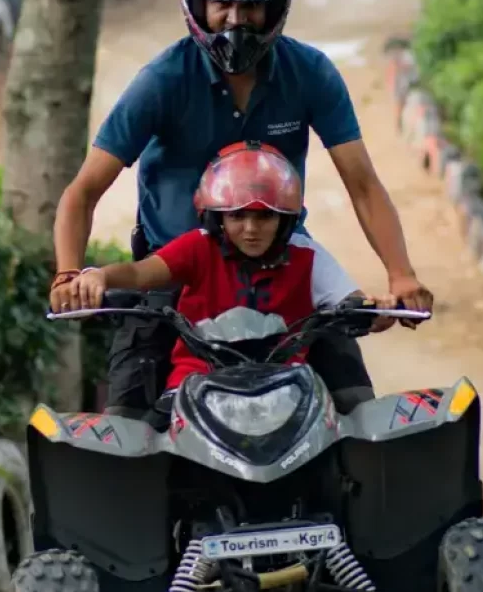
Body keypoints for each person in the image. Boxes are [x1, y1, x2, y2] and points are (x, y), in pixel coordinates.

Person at [49, 0, 432, 417]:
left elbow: (361, 183)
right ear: (194, 1)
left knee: (355, 403)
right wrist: (68, 275)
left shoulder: (311, 73)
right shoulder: (162, 81)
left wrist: (400, 275)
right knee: (127, 425)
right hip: (174, 272)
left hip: (282, 266)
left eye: (250, 4)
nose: (235, 19)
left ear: (276, 4)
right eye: (221, 2)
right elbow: (84, 190)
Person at [56, 142, 397, 421]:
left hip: (291, 390)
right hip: (192, 388)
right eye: (238, 215)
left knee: (346, 444)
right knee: (139, 458)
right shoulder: (196, 247)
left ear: (286, 219)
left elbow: (352, 300)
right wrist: (96, 275)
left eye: (265, 216)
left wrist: (377, 309)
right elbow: (139, 274)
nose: (251, 229)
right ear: (217, 217)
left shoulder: (307, 255)